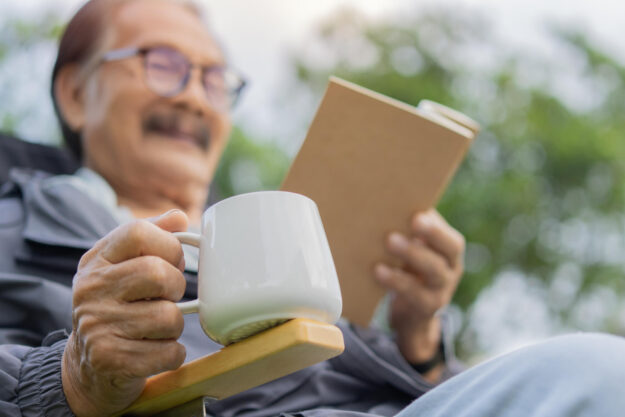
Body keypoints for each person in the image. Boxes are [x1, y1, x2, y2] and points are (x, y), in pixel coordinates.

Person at [0, 0, 623, 416]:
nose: (195, 97)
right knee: (601, 374)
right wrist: (72, 381)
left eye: (216, 80)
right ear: (75, 96)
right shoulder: (15, 222)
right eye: (163, 65)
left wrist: (420, 339)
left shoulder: (271, 241)